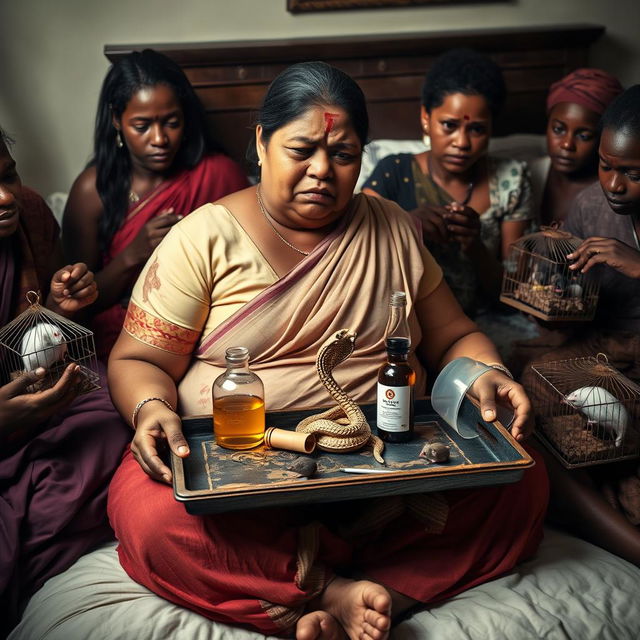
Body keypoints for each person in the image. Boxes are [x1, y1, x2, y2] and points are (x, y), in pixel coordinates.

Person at [106, 62, 548, 640]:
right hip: (241, 479)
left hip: (389, 469)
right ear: (262, 144)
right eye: (302, 149)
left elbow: (453, 335)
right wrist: (151, 409)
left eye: (343, 154)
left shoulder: (388, 226)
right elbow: (137, 362)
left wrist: (483, 370)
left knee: (528, 478)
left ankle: (374, 596)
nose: (321, 170)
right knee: (149, 522)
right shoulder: (203, 237)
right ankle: (334, 592)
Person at [0, 128, 131, 637]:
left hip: (37, 394)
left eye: (9, 176)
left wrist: (61, 304)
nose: (7, 197)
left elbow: (41, 329)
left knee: (111, 420)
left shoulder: (30, 213)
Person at [63, 49, 249, 361]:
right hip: (126, 335)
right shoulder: (91, 190)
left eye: (171, 122)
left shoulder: (218, 173)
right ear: (116, 120)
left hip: (210, 327)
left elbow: (249, 266)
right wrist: (133, 254)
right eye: (142, 126)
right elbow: (76, 304)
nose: (160, 138)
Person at [521, 85, 640, 568]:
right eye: (607, 166)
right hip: (601, 352)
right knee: (528, 387)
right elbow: (571, 309)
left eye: (632, 173)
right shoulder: (591, 207)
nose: (613, 184)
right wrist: (550, 304)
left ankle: (596, 485)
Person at [362, 48, 533, 318]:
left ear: (491, 128)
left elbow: (515, 294)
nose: (462, 143)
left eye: (476, 129)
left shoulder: (511, 181)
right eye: (449, 125)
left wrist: (475, 247)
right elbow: (356, 254)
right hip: (406, 321)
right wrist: (407, 224)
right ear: (426, 119)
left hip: (482, 319)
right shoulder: (393, 172)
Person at [529, 68, 623, 226]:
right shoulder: (529, 175)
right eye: (558, 129)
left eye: (583, 136)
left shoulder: (616, 190)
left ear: (604, 138)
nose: (567, 145)